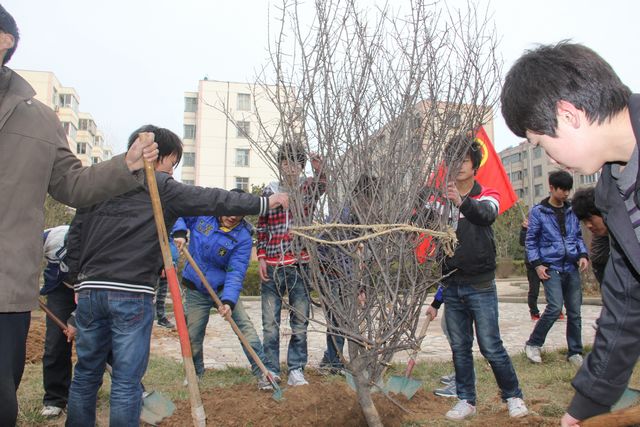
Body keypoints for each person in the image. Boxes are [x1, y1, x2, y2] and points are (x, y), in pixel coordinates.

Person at [64, 125, 288, 427]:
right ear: (160, 157)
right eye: (172, 163)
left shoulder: (99, 181)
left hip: (91, 291)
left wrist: (75, 279)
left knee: (86, 375)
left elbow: (75, 238)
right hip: (131, 293)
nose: (172, 171)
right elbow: (213, 199)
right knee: (127, 382)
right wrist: (263, 203)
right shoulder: (159, 185)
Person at [0, 7, 159, 426]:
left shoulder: (38, 119)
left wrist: (124, 165)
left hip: (5, 290)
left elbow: (73, 185)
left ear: (4, 42)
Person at [500, 41, 640, 426]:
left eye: (540, 143)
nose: (548, 159)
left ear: (569, 114)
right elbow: (627, 308)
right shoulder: (615, 195)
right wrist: (585, 408)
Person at [436, 138, 528, 421]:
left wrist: (461, 202)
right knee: (460, 347)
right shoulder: (439, 200)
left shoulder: (487, 193)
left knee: (490, 345)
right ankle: (466, 399)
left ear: (475, 164)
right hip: (452, 284)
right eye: (453, 161)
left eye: (464, 160)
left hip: (480, 285)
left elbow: (486, 215)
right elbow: (422, 222)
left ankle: (513, 396)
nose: (459, 166)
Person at [171, 192, 273, 390]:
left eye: (239, 213)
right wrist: (180, 232)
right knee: (193, 334)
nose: (232, 216)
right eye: (230, 210)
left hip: (222, 288)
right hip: (196, 288)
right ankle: (196, 373)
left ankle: (262, 373)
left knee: (245, 328)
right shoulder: (204, 214)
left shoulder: (243, 237)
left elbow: (236, 271)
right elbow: (178, 211)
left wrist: (228, 301)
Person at [258, 142, 325, 387]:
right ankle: (271, 370)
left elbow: (322, 186)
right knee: (270, 323)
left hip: (300, 263)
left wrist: (321, 170)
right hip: (274, 263)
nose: (290, 168)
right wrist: (262, 256)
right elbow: (262, 227)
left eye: (296, 163)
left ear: (301, 166)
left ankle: (296, 369)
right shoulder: (269, 191)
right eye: (285, 162)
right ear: (279, 164)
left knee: (300, 320)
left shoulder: (306, 188)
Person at [523, 171, 589, 368]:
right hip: (550, 267)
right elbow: (531, 241)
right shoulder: (539, 211)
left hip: (571, 266)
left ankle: (575, 352)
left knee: (575, 312)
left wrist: (583, 254)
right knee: (554, 308)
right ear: (551, 188)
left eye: (568, 189)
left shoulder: (572, 210)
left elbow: (577, 236)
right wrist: (537, 264)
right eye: (562, 190)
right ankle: (533, 343)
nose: (566, 194)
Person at [40, 226, 75, 418]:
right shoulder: (48, 237)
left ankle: (85, 392)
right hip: (59, 289)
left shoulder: (96, 244)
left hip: (88, 287)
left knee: (96, 342)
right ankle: (54, 398)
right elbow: (21, 258)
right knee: (55, 344)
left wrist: (76, 319)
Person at [571, 187, 610, 286]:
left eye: (590, 219)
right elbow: (598, 262)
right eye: (584, 221)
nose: (588, 225)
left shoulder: (628, 230)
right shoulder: (599, 245)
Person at [520, 217, 542, 320]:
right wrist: (524, 229)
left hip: (546, 262)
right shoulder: (527, 228)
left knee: (552, 288)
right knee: (534, 290)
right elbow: (522, 242)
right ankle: (534, 312)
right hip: (532, 263)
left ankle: (556, 309)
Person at [155, 239, 178, 329]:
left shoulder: (170, 232)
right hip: (159, 264)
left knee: (162, 292)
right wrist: (161, 264)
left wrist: (173, 262)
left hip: (169, 263)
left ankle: (161, 317)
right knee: (153, 293)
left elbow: (171, 246)